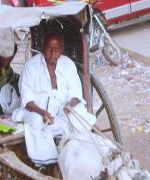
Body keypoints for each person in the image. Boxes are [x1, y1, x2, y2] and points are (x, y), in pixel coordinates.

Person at [12, 33, 95, 166]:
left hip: (63, 109)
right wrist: (43, 113)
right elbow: (27, 99)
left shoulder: (68, 64)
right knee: (36, 122)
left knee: (80, 114)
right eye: (49, 49)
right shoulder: (31, 66)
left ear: (62, 50)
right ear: (42, 48)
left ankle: (80, 149)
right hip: (37, 109)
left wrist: (69, 106)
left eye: (56, 50)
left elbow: (76, 94)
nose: (52, 53)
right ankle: (47, 160)